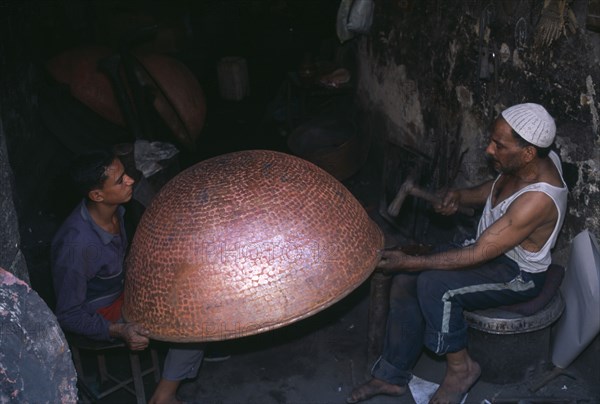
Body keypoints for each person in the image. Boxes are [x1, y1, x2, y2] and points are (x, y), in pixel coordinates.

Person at [347, 103, 568, 404]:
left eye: (498, 145)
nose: (490, 150)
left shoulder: (538, 200)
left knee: (433, 284)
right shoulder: (531, 160)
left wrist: (413, 261)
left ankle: (461, 370)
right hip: (491, 250)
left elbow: (479, 253)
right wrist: (461, 195)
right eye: (492, 140)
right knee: (404, 281)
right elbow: (497, 187)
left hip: (517, 273)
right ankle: (391, 376)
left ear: (528, 152)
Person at [51, 149, 203, 404]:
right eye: (120, 180)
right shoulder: (75, 246)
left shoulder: (113, 210)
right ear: (97, 195)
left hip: (121, 288)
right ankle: (164, 396)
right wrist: (119, 330)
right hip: (100, 311)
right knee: (192, 319)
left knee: (195, 283)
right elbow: (68, 315)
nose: (130, 180)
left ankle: (181, 363)